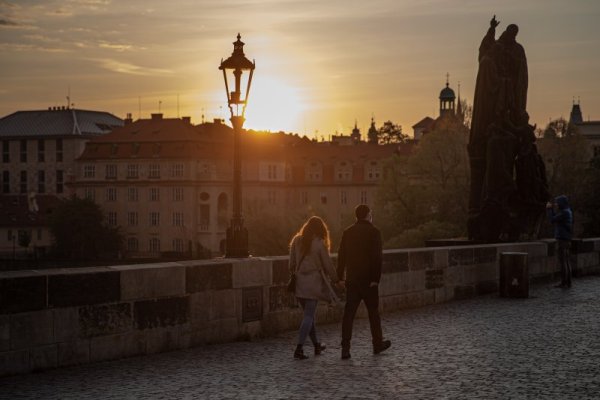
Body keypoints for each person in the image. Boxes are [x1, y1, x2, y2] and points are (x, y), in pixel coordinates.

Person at [337, 204, 391, 360]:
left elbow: (342, 257)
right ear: (368, 215)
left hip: (352, 280)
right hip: (369, 281)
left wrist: (340, 277)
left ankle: (345, 349)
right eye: (371, 214)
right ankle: (377, 344)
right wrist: (375, 279)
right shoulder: (374, 232)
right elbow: (377, 258)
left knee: (348, 315)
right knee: (373, 314)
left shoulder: (347, 232)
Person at [289, 216, 341, 360]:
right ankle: (299, 348)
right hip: (313, 283)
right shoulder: (319, 243)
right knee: (309, 316)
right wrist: (336, 280)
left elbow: (291, 264)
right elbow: (328, 265)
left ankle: (317, 345)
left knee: (308, 316)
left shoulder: (296, 241)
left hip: (299, 284)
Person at [547, 195, 573, 288]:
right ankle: (568, 281)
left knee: (563, 261)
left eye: (557, 203)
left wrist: (549, 209)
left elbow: (552, 220)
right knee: (566, 261)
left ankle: (564, 282)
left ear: (561, 203)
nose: (556, 204)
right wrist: (552, 210)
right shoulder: (567, 211)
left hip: (562, 239)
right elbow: (555, 218)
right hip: (566, 239)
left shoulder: (564, 213)